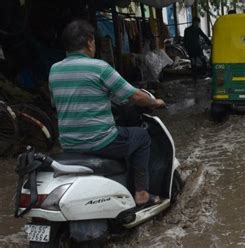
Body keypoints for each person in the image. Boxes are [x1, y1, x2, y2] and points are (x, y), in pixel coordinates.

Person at [49, 20, 166, 206]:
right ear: (89, 42)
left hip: (69, 143)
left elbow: (57, 103)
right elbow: (135, 96)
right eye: (94, 41)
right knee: (141, 136)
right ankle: (142, 193)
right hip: (99, 141)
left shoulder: (54, 70)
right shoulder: (99, 67)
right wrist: (155, 102)